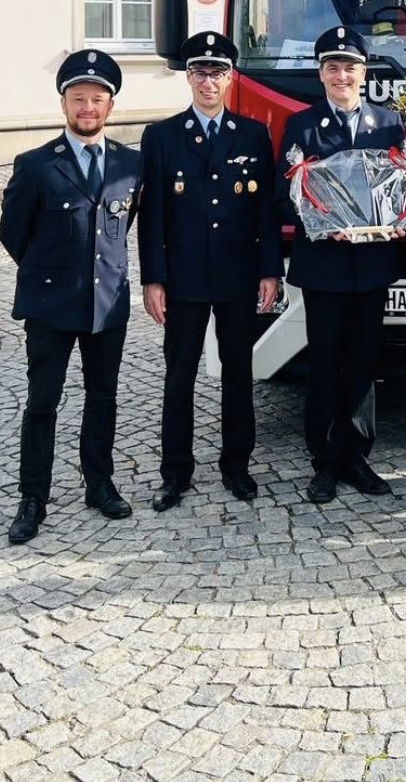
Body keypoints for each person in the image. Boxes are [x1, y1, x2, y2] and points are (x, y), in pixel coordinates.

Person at [0, 50, 141, 545]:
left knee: (103, 397)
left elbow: (123, 225)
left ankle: (99, 482)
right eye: (78, 98)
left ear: (110, 105)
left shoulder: (131, 163)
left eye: (96, 99)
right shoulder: (36, 164)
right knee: (43, 401)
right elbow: (12, 233)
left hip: (107, 304)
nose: (87, 107)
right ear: (64, 104)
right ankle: (32, 496)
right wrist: (51, 275)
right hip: (50, 307)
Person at [138, 31, 282, 509]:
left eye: (217, 71)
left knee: (238, 374)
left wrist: (269, 271)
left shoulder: (253, 135)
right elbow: (152, 214)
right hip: (183, 279)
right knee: (178, 377)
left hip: (238, 275)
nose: (207, 80)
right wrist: (152, 278)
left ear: (229, 78)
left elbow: (264, 212)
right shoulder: (161, 136)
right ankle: (175, 472)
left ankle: (237, 467)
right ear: (187, 76)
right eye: (199, 71)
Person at [277, 26, 404, 503]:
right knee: (326, 361)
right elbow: (284, 194)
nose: (341, 74)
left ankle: (357, 456)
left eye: (349, 66)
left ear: (363, 72)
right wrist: (318, 218)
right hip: (325, 265)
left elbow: (401, 187)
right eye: (332, 67)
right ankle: (325, 461)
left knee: (365, 362)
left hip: (372, 263)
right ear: (321, 74)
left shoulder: (389, 124)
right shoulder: (302, 126)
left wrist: (396, 218)